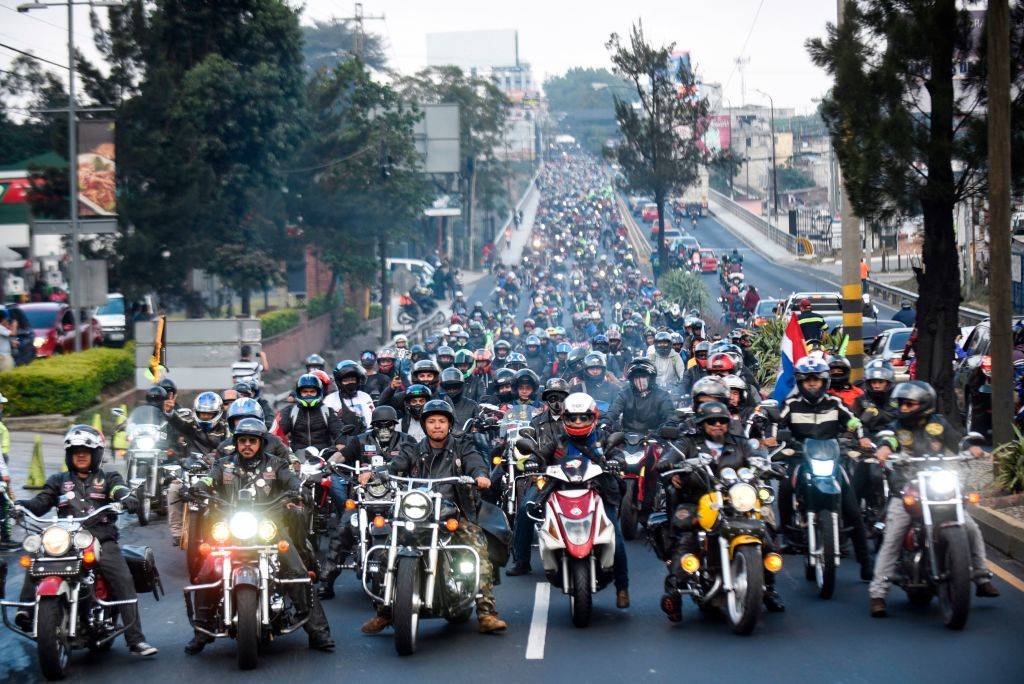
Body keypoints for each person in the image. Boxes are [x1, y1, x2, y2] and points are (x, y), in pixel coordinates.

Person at [184, 419, 334, 653]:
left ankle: (318, 632)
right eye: (242, 440)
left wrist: (298, 489)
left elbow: (291, 479)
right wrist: (198, 486)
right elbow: (208, 478)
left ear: (261, 443)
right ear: (236, 443)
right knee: (206, 573)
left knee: (296, 571)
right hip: (229, 526)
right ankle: (202, 632)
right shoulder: (223, 465)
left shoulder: (276, 465)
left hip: (269, 526)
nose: (246, 445)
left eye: (252, 441)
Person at [358, 400, 508, 634]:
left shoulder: (463, 446)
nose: (436, 426)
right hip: (418, 512)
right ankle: (385, 611)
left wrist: (480, 475)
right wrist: (375, 473)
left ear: (449, 424)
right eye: (431, 421)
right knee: (389, 550)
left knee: (477, 547)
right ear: (425, 425)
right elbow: (395, 465)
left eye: (441, 421)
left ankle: (486, 612)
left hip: (453, 513)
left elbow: (476, 463)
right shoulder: (414, 448)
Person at [14, 425, 158, 656]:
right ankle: (25, 610)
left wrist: (126, 497)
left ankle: (136, 640)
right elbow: (40, 503)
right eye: (76, 451)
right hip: (65, 539)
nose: (80, 455)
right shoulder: (58, 480)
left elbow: (120, 489)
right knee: (35, 556)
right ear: (69, 455)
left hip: (100, 538)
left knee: (122, 578)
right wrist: (21, 506)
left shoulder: (109, 477)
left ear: (95, 454)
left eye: (86, 450)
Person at [868, 381, 999, 617]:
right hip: (906, 487)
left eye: (910, 404)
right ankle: (878, 593)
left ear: (924, 405)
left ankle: (980, 577)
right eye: (902, 403)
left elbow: (958, 440)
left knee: (970, 527)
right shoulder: (897, 426)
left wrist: (972, 447)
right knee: (894, 534)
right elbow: (888, 438)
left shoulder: (938, 424)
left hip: (938, 484)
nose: (904, 408)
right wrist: (885, 448)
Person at [655, 401, 784, 617]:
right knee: (687, 534)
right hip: (697, 499)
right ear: (702, 424)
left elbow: (757, 456)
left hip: (734, 500)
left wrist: (767, 464)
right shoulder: (688, 443)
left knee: (763, 527)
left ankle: (768, 587)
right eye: (711, 421)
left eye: (722, 421)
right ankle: (675, 590)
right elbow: (668, 459)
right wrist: (673, 466)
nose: (717, 425)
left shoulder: (739, 443)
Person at [518, 393, 630, 607]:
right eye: (573, 418)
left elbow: (617, 454)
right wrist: (532, 461)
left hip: (599, 491)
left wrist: (616, 462)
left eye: (583, 418)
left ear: (593, 418)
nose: (578, 422)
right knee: (530, 510)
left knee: (615, 536)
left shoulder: (602, 438)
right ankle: (528, 559)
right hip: (561, 491)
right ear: (565, 418)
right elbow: (540, 455)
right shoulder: (559, 441)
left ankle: (622, 587)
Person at [771, 357, 872, 578]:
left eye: (816, 380)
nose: (812, 384)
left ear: (824, 381)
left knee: (853, 509)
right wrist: (773, 437)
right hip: (800, 458)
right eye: (807, 381)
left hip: (832, 460)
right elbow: (777, 424)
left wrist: (861, 438)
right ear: (800, 382)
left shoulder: (835, 403)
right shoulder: (792, 404)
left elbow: (855, 422)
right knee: (786, 485)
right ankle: (787, 533)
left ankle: (866, 565)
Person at [164, 391, 229, 546]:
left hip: (216, 473)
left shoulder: (226, 430)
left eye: (209, 414)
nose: (205, 417)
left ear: (218, 413)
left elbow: (231, 448)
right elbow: (177, 422)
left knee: (231, 491)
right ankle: (177, 531)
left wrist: (217, 456)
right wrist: (169, 412)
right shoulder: (191, 426)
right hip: (191, 471)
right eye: (202, 413)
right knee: (173, 488)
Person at [273, 374, 356, 452]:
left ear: (318, 392)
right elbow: (275, 433)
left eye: (312, 391)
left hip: (324, 457)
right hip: (296, 458)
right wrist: (284, 449)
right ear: (299, 393)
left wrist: (340, 443)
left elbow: (339, 431)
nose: (308, 394)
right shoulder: (290, 411)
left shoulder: (327, 411)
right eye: (305, 391)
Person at [325, 360, 374, 428]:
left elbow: (370, 421)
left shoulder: (365, 397)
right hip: (340, 436)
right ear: (339, 382)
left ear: (358, 380)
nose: (350, 382)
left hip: (364, 436)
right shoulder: (330, 400)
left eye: (352, 379)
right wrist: (336, 418)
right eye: (346, 380)